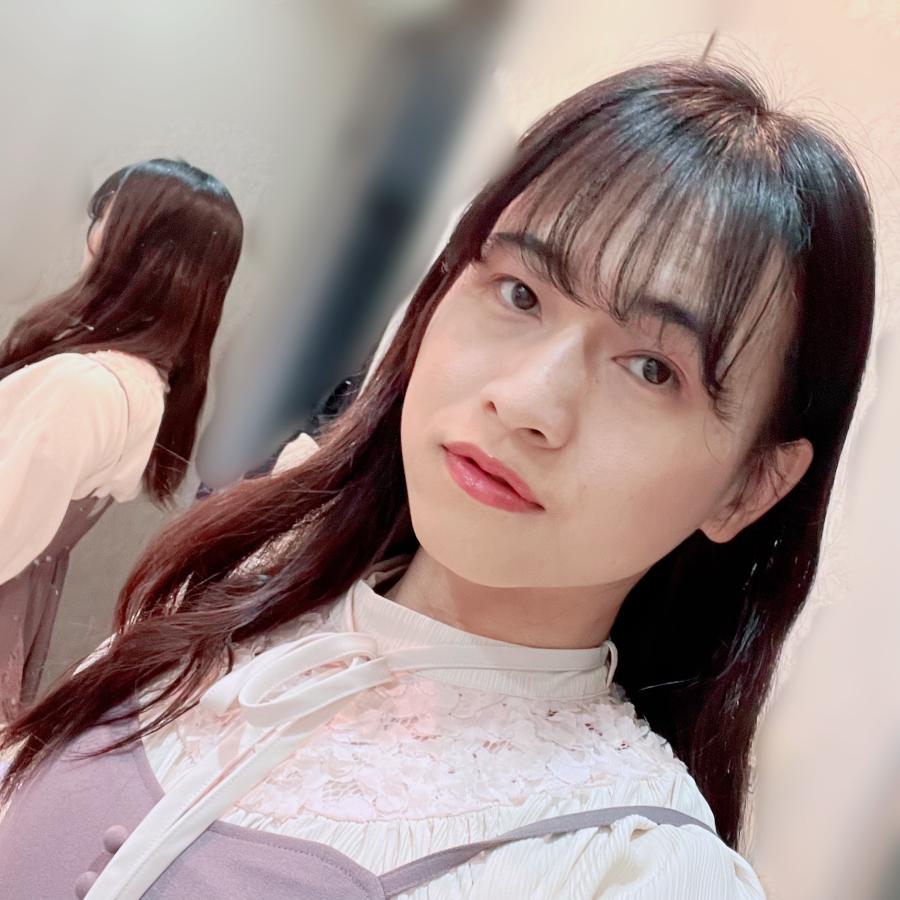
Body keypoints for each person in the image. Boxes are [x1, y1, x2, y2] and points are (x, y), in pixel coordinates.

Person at [0, 61, 876, 899]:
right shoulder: (225, 595)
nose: (526, 402)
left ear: (750, 487)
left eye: (653, 369)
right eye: (521, 293)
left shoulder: (630, 870)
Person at [0, 158, 243, 723]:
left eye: (104, 218)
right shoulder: (141, 382)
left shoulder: (84, 385)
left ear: (133, 246)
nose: (91, 236)